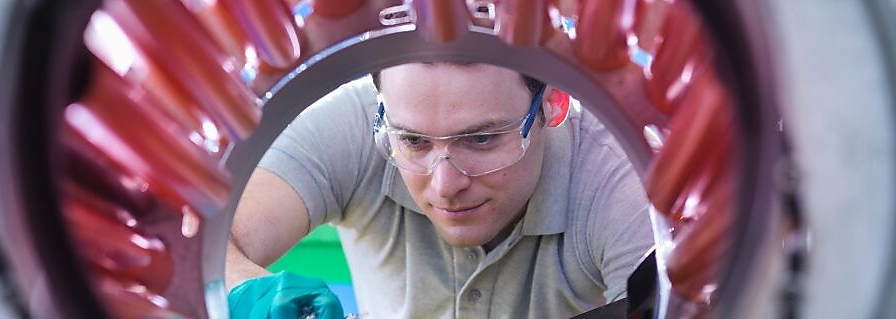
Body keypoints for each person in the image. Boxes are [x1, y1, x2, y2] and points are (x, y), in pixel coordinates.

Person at [226, 62, 653, 318]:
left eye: (482, 140)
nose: (446, 186)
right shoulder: (352, 123)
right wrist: (246, 286)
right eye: (414, 142)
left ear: (552, 103)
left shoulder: (618, 177)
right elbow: (204, 241)